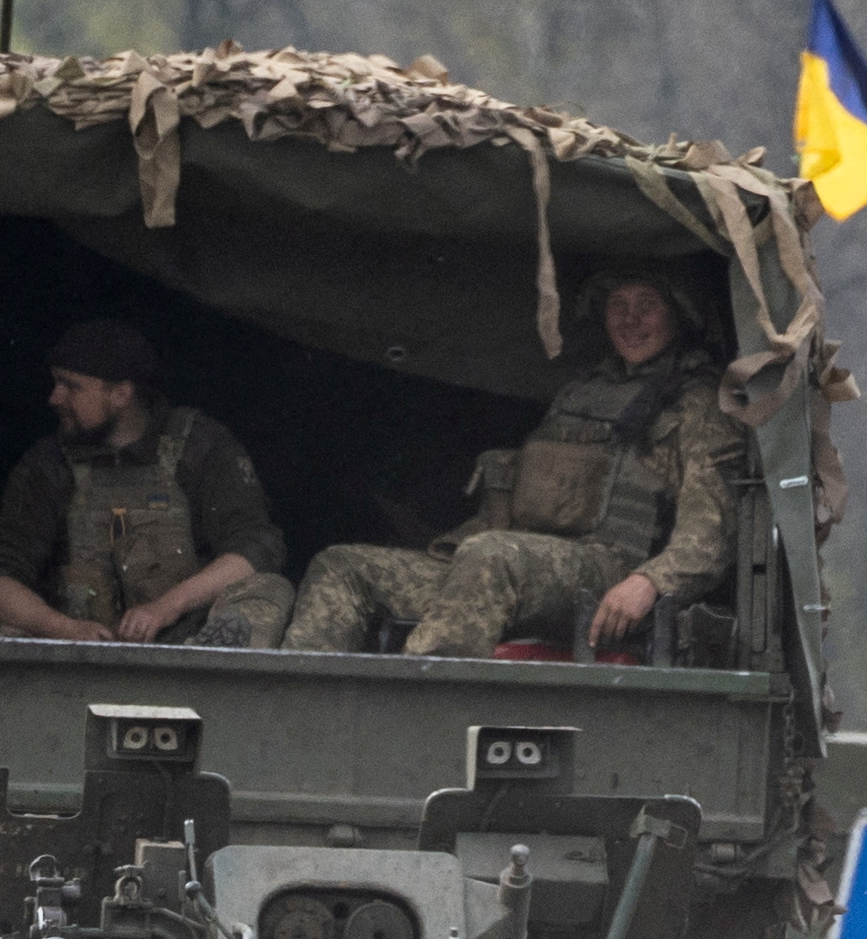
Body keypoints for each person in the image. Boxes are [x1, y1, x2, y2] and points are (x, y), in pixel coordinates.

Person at [284, 271, 752, 657]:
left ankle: (424, 711)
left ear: (678, 314)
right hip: (515, 561)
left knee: (492, 557)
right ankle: (296, 720)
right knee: (343, 566)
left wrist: (649, 582)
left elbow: (711, 532)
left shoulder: (699, 405)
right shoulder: (578, 393)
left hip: (609, 570)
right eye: (617, 304)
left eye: (646, 304)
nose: (630, 320)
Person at [0, 320, 293, 647]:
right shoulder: (47, 464)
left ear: (121, 394)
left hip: (185, 640)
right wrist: (62, 629)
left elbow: (255, 549)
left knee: (268, 589)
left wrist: (165, 608)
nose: (54, 398)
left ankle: (213, 668)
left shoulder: (199, 445)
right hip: (80, 651)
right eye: (56, 383)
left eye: (71, 386)